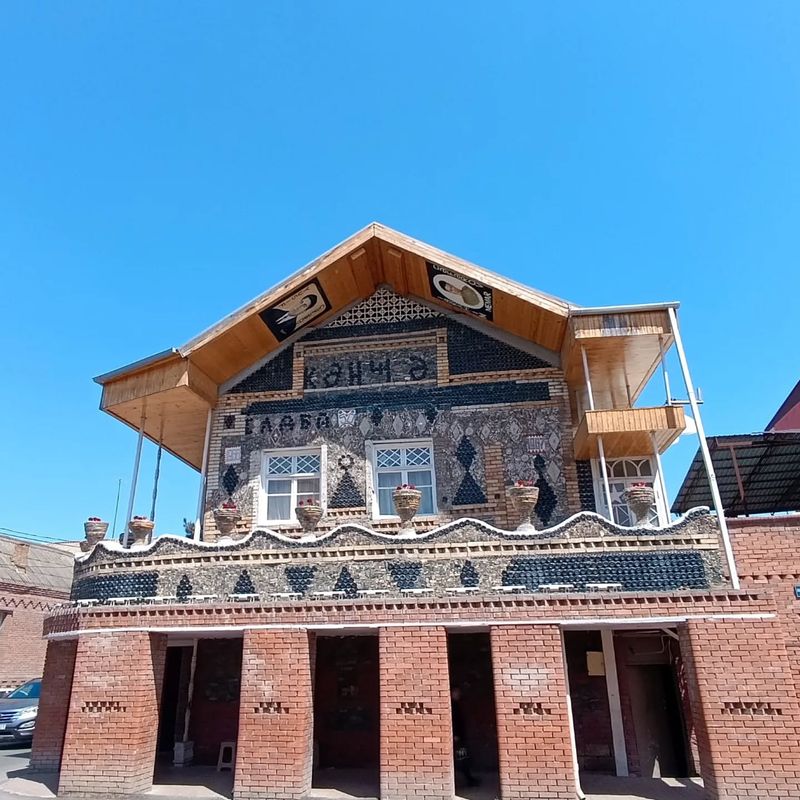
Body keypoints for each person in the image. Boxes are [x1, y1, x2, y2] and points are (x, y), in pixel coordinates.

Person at [451, 685, 480, 787]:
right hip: (458, 738)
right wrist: (456, 735)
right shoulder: (452, 706)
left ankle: (468, 779)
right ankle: (468, 780)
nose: (458, 694)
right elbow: (454, 722)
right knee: (462, 757)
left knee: (463, 757)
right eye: (456, 692)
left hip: (460, 737)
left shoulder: (455, 705)